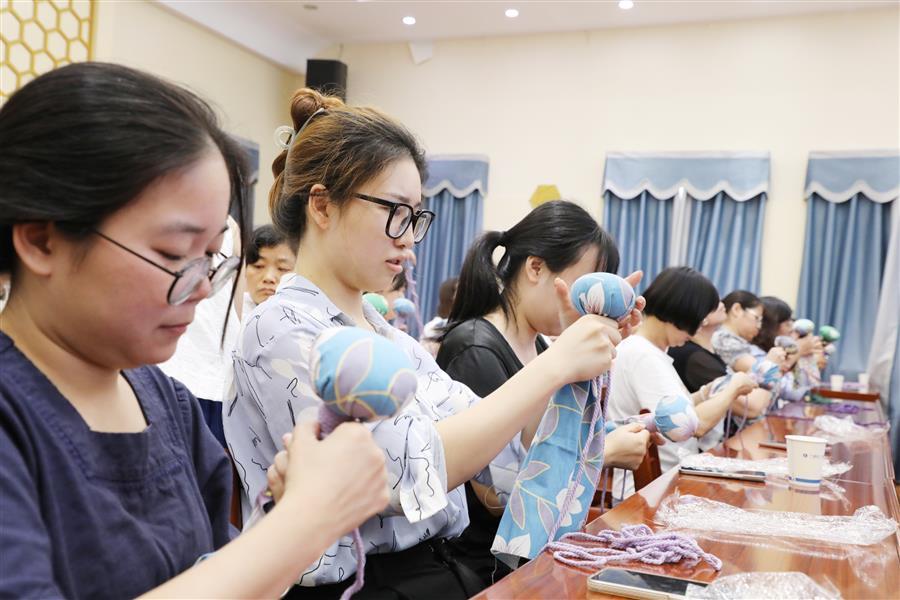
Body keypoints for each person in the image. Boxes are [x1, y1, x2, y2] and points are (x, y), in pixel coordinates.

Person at [0, 62, 389, 598]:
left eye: (211, 258)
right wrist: (301, 523)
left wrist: (288, 518)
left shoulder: (169, 405)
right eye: (173, 254)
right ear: (42, 241)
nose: (203, 289)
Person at [225, 87, 629, 599]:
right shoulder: (279, 328)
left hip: (433, 572)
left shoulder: (388, 336)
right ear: (322, 205)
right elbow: (403, 473)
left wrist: (572, 361)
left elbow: (505, 455)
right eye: (395, 211)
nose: (408, 237)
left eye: (416, 216)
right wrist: (554, 368)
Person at [435, 200, 652, 589]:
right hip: (490, 566)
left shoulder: (539, 347)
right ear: (535, 268)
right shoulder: (475, 348)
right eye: (584, 285)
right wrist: (602, 453)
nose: (587, 305)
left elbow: (541, 439)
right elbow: (497, 495)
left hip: (537, 551)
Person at [607, 267, 757, 499]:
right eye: (699, 320)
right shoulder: (644, 355)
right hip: (649, 493)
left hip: (663, 485)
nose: (698, 329)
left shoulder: (650, 351)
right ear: (683, 311)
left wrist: (704, 394)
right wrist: (733, 388)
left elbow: (669, 410)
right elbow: (693, 425)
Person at [243, 224, 298, 319]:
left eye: (282, 268)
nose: (268, 278)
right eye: (258, 266)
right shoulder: (230, 313)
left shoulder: (311, 319)